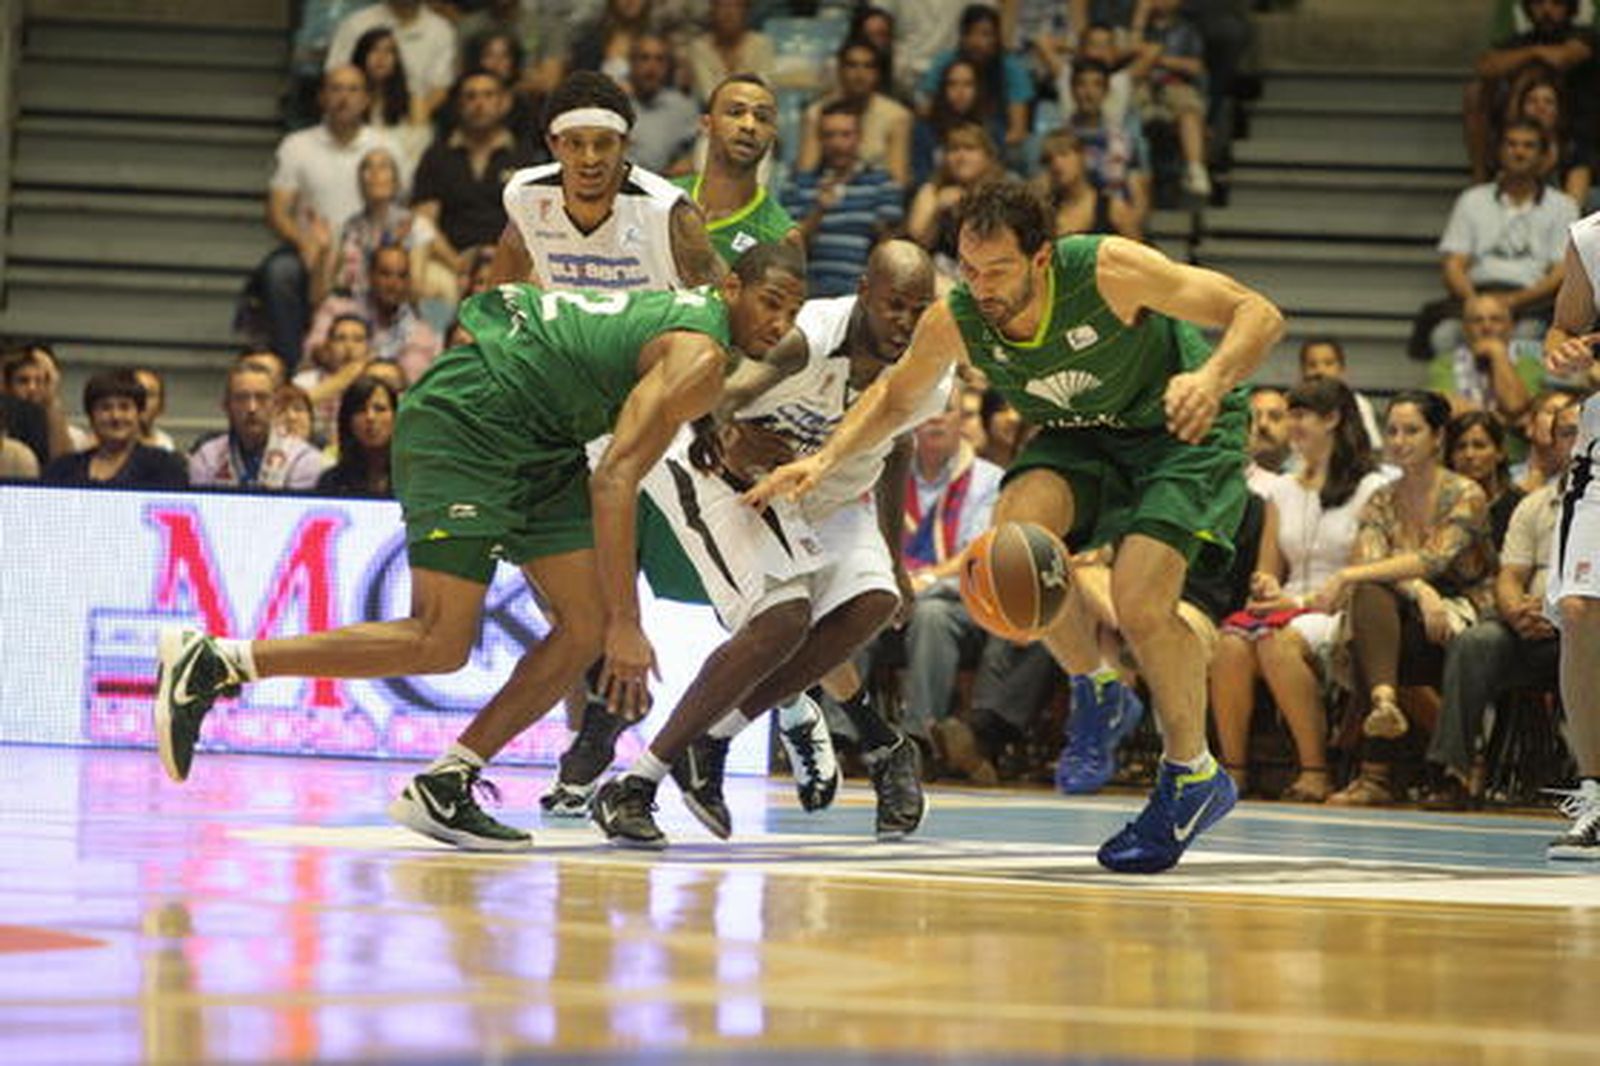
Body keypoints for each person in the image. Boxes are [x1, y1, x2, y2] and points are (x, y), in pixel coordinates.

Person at [151, 247, 806, 852]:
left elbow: (626, 374)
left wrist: (710, 424)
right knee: (441, 640)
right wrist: (629, 623)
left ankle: (448, 783)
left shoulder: (690, 326)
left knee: (582, 630)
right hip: (475, 418)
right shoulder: (702, 356)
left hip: (542, 437)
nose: (779, 323)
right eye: (770, 302)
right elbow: (613, 479)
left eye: (793, 311)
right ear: (729, 287)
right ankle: (218, 662)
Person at [749, 180, 1286, 873]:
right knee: (1011, 552)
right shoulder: (961, 314)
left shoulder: (1107, 268)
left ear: (1041, 259)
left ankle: (1191, 776)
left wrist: (1211, 379)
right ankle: (1096, 687)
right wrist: (824, 458)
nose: (981, 287)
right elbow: (894, 395)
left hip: (1180, 430)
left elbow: (1258, 313)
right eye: (968, 269)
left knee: (1140, 601)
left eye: (997, 271)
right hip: (1083, 436)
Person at [591, 241, 941, 847]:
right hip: (723, 469)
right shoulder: (805, 338)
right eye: (894, 307)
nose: (905, 324)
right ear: (864, 293)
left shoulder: (928, 370)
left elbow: (901, 443)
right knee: (781, 620)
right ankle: (638, 782)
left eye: (919, 309)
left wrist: (894, 551)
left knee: (874, 602)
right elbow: (720, 390)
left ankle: (715, 735)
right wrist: (728, 433)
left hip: (828, 493)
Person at [1209, 378, 1386, 803]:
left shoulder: (1371, 488)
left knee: (1276, 643)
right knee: (1229, 643)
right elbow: (1267, 570)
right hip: (1288, 604)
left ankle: (1314, 769)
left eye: (1300, 414)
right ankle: (1234, 770)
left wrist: (1299, 602)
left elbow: (1364, 572)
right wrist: (1265, 584)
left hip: (1338, 607)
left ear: (1333, 419)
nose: (1292, 424)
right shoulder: (1281, 490)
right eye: (1291, 414)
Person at [1324, 391, 1497, 807]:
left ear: (1438, 436)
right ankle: (1385, 704)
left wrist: (1348, 573)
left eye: (1412, 430)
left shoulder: (1465, 493)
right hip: (1409, 611)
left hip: (1465, 608)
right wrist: (1418, 591)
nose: (1399, 440)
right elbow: (1376, 560)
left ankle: (1376, 775)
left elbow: (1435, 558)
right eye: (1393, 431)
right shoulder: (1382, 497)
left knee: (1368, 606)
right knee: (1369, 600)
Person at [1423, 398, 1580, 810]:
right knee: (1476, 641)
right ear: (1553, 442)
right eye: (1566, 434)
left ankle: (1587, 781)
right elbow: (1509, 576)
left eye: (1586, 432)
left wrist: (1564, 615)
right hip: (1532, 629)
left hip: (1586, 631)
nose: (1578, 442)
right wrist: (1514, 610)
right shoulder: (1534, 505)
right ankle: (1453, 772)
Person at [492, 71, 722, 291]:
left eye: (603, 143)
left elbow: (718, 303)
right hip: (569, 330)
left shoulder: (668, 210)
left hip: (653, 331)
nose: (589, 158)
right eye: (575, 143)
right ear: (553, 145)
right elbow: (498, 297)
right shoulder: (525, 195)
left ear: (624, 144)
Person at [1539, 206, 1600, 858]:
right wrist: (1563, 348)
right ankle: (1597, 794)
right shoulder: (1592, 236)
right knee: (1581, 611)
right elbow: (1564, 326)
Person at [782, 101, 907, 298]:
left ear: (859, 137)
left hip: (859, 293)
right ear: (820, 139)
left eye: (845, 135)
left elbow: (890, 247)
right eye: (829, 135)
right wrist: (818, 210)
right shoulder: (799, 185)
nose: (837, 143)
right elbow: (787, 249)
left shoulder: (881, 183)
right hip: (807, 292)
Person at [672, 74, 798, 265]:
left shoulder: (781, 236)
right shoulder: (664, 201)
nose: (749, 125)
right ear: (706, 125)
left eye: (762, 118)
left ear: (773, 135)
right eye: (735, 112)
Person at [188, 363, 328, 491]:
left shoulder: (301, 457)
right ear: (226, 406)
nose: (252, 408)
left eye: (262, 397)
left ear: (275, 405)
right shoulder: (207, 457)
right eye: (241, 398)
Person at [41, 370, 189, 489]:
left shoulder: (166, 466)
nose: (115, 416)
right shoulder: (63, 469)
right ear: (91, 416)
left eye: (124, 407)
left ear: (139, 413)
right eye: (105, 408)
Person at [798, 37, 914, 186]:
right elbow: (806, 172)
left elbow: (899, 181)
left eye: (868, 66)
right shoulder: (815, 114)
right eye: (852, 65)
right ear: (839, 70)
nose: (860, 74)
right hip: (826, 191)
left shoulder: (897, 116)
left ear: (878, 73)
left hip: (877, 198)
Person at [1035, 128, 1141, 241]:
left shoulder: (1114, 208)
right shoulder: (1045, 212)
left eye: (1064, 154)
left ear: (1082, 157)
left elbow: (1140, 254)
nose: (1056, 163)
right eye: (1048, 159)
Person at [1446, 409, 1524, 549]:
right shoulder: (1439, 506)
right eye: (1460, 447)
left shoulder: (1521, 506)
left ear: (1500, 453)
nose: (1469, 455)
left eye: (1479, 446)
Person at [316, 375, 399, 497]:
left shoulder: (415, 477)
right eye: (360, 410)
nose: (370, 417)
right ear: (348, 421)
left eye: (380, 409)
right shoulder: (332, 481)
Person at [1298, 337, 1384, 449]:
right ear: (1302, 371)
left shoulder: (1359, 403)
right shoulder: (1294, 406)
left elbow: (1373, 446)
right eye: (1312, 365)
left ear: (1341, 368)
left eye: (1328, 363)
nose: (1320, 370)